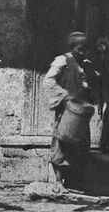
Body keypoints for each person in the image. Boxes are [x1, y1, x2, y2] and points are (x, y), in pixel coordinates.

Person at [40, 31, 98, 191]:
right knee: (62, 143)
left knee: (80, 145)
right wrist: (63, 96)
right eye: (79, 49)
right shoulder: (62, 61)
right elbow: (49, 81)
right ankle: (58, 181)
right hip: (66, 111)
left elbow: (90, 83)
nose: (83, 52)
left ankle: (73, 181)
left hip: (81, 112)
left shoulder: (86, 64)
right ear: (72, 47)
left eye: (85, 49)